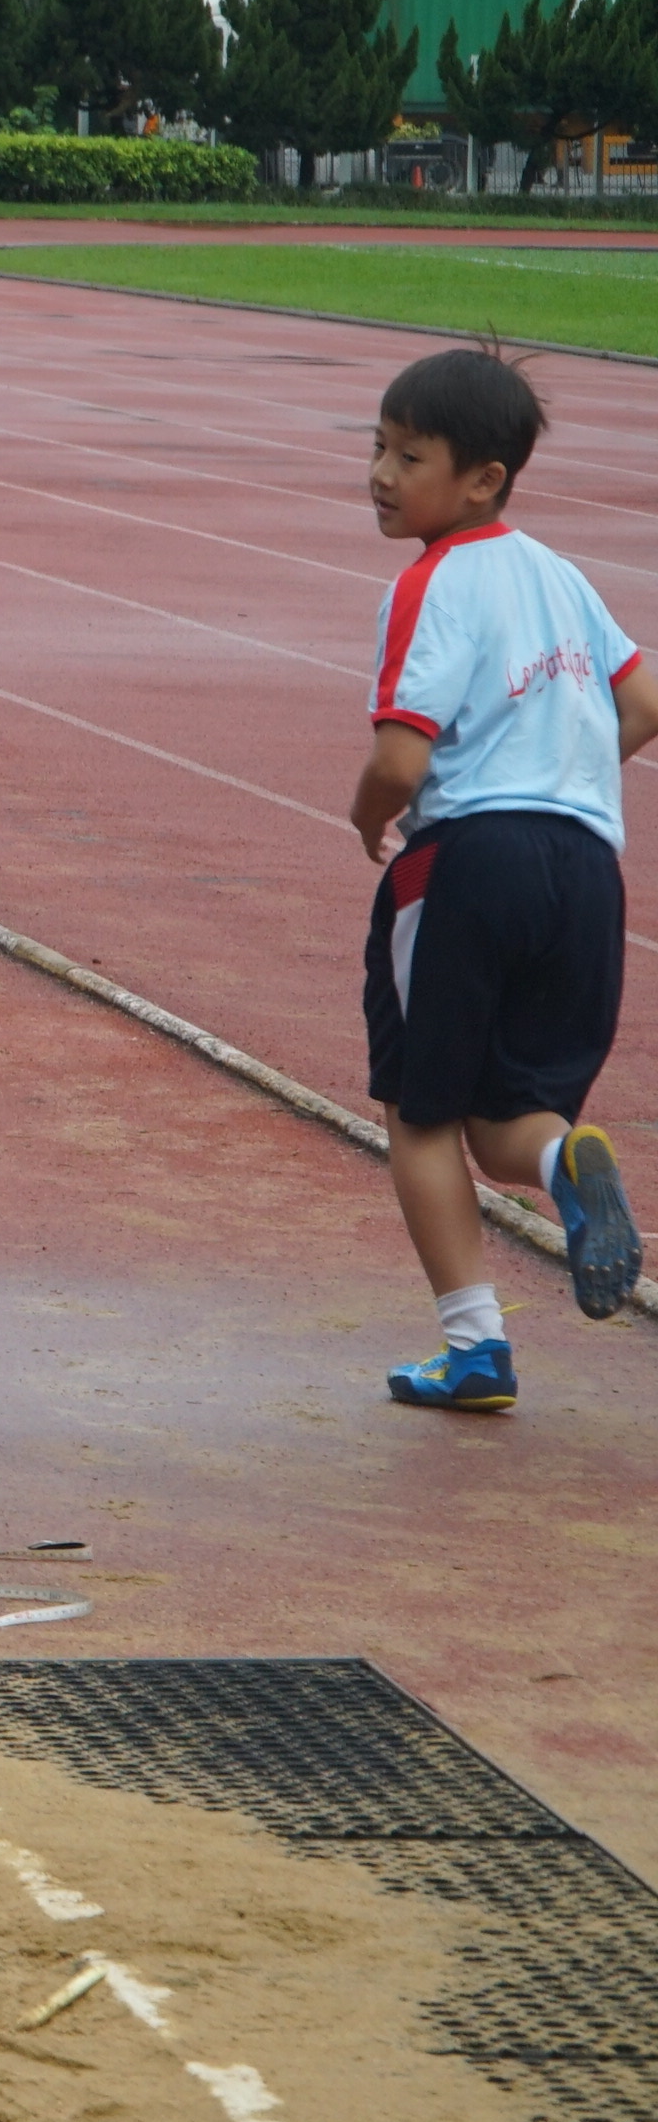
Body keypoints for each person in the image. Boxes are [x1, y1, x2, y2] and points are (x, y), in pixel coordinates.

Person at [350, 348, 652, 1409]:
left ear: (483, 479)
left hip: (467, 863)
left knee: (419, 1111)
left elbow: (400, 761)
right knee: (504, 1117)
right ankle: (568, 1164)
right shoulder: (561, 575)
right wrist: (561, 775)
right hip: (586, 868)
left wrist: (366, 818)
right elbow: (644, 702)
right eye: (377, 448)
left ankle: (476, 1349)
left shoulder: (431, 582)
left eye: (409, 456)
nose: (381, 474)